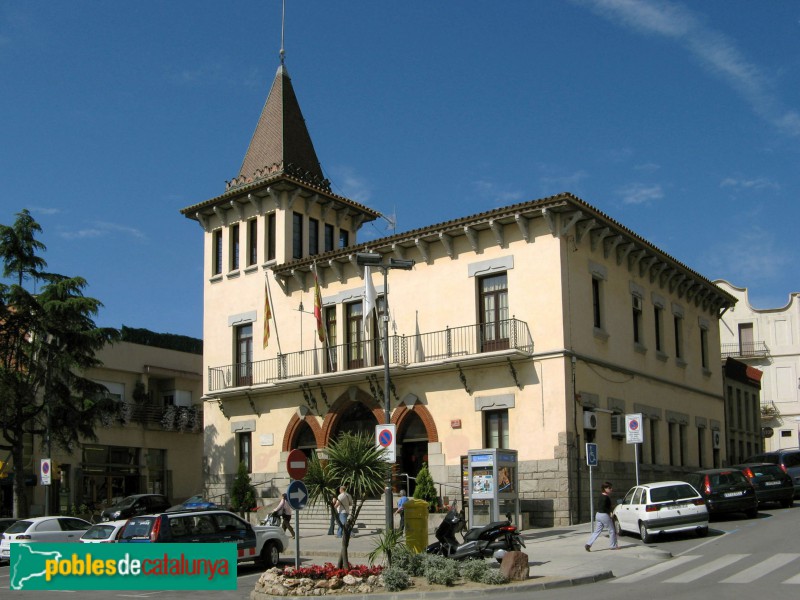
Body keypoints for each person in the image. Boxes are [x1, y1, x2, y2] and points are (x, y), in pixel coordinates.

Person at [585, 481, 618, 551]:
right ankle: (613, 546)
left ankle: (588, 544)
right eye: (609, 488)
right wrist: (610, 513)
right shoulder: (606, 497)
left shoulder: (600, 496)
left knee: (597, 531)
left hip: (598, 515)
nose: (611, 489)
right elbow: (605, 508)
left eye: (611, 488)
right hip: (604, 515)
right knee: (612, 530)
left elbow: (600, 506)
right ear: (605, 488)